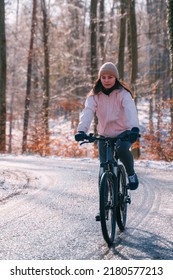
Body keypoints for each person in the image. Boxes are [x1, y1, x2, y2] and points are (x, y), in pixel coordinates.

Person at [75, 61, 140, 194]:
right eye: (103, 77)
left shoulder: (123, 94)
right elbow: (87, 112)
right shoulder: (94, 96)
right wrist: (81, 130)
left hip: (124, 133)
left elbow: (130, 110)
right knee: (103, 167)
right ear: (99, 78)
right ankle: (104, 205)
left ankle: (131, 174)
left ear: (115, 78)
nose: (106, 80)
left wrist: (134, 128)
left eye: (110, 77)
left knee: (122, 150)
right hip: (104, 135)